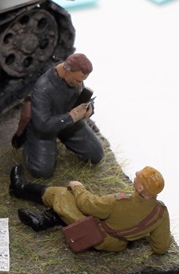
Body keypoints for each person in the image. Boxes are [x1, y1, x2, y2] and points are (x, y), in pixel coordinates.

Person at [9, 165, 171, 254]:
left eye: (137, 177)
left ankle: (20, 188)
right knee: (69, 209)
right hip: (117, 244)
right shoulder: (161, 213)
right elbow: (160, 247)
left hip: (96, 235)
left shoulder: (119, 202)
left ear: (141, 188)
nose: (135, 175)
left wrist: (78, 187)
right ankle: (44, 220)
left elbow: (88, 205)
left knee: (63, 194)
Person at [16, 53, 103, 179]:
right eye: (77, 80)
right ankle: (29, 143)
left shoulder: (75, 81)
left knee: (95, 154)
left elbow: (80, 97)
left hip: (68, 121)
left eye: (82, 81)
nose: (79, 84)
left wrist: (89, 109)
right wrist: (71, 117)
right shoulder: (43, 87)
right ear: (67, 70)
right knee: (42, 171)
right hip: (46, 128)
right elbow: (42, 124)